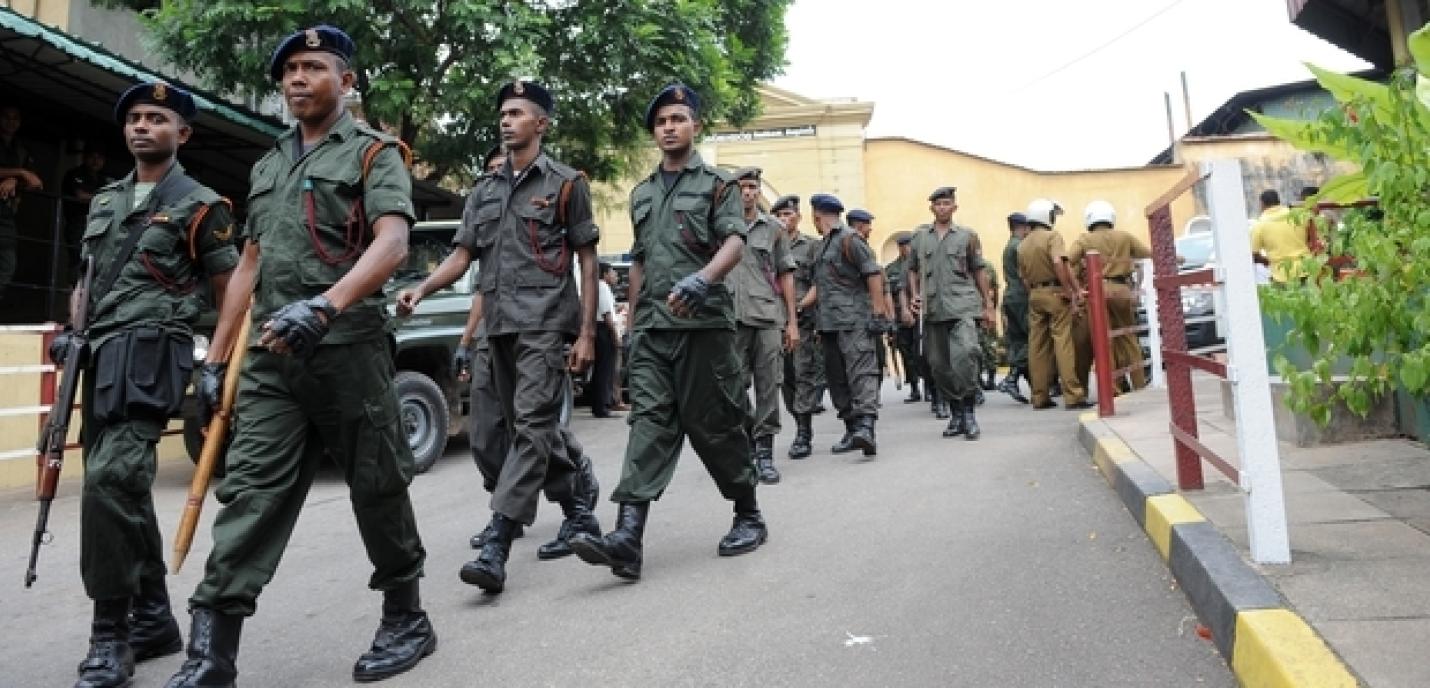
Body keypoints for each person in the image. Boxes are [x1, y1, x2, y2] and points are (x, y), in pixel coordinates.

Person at [166, 26, 435, 686]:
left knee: (377, 487)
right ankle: (212, 650)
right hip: (271, 363)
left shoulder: (376, 154)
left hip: (348, 351)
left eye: (312, 67)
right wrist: (215, 359)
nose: (295, 78)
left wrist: (325, 306)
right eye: (287, 69)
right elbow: (249, 266)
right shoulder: (268, 165)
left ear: (344, 82)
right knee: (249, 494)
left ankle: (406, 617)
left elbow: (393, 243)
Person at [53, 82, 238, 688]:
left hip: (154, 354)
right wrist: (72, 328)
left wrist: (216, 368)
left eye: (156, 118)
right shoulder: (105, 199)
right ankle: (155, 617)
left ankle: (111, 634)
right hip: (99, 355)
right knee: (123, 486)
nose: (141, 126)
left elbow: (229, 293)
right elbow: (89, 277)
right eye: (134, 117)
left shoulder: (201, 203)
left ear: (181, 134)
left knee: (109, 480)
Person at [401, 79, 601, 594]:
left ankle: (499, 539)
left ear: (541, 123)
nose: (506, 120)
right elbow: (463, 254)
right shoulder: (484, 191)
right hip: (495, 327)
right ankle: (578, 501)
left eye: (517, 112)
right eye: (503, 113)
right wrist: (423, 286)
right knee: (490, 436)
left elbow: (586, 257)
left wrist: (586, 335)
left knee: (533, 425)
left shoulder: (564, 184)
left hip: (543, 322)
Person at [568, 83, 767, 581]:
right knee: (649, 423)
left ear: (694, 126)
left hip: (704, 326)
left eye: (678, 118)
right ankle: (627, 539)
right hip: (655, 328)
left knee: (715, 423)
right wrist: (632, 322)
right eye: (660, 122)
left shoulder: (718, 185)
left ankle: (749, 514)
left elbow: (735, 243)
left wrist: (705, 279)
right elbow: (638, 261)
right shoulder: (642, 193)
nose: (669, 127)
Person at [798, 193, 891, 455]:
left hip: (854, 320)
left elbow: (872, 274)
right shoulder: (821, 246)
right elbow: (819, 285)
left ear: (817, 215)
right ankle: (852, 429)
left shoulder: (850, 239)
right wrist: (800, 306)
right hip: (828, 323)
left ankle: (866, 428)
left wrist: (877, 312)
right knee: (836, 378)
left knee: (861, 373)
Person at [907, 187, 995, 440]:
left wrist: (987, 306)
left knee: (966, 353)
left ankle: (969, 412)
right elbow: (912, 269)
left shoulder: (967, 236)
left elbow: (979, 271)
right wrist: (914, 294)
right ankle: (956, 414)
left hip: (963, 305)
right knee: (938, 365)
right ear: (932, 208)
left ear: (955, 207)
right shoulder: (920, 237)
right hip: (933, 308)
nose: (943, 208)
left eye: (947, 203)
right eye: (938, 204)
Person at [728, 166, 797, 484]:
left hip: (768, 317)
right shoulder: (721, 227)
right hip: (729, 319)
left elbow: (785, 274)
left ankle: (765, 454)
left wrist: (792, 322)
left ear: (758, 191)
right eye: (742, 186)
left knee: (769, 386)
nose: (748, 192)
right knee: (730, 387)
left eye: (753, 186)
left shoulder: (774, 229)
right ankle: (750, 436)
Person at [1017, 198, 1092, 410]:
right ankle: (1073, 395)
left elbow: (1022, 277)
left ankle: (1039, 396)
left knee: (1037, 346)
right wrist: (1070, 291)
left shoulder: (1023, 243)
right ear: (1046, 216)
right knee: (1063, 342)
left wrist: (1034, 292)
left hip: (1034, 294)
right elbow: (1060, 263)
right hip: (1055, 293)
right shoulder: (1052, 236)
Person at [1069, 200, 1151, 391]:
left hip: (1097, 292)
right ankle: (1139, 383)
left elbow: (1067, 260)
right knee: (1129, 339)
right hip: (1122, 290)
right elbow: (1147, 254)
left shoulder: (1084, 240)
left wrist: (1074, 288)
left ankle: (1112, 389)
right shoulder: (1125, 237)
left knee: (1104, 341)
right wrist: (1177, 256)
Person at [774, 194, 824, 459]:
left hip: (803, 320)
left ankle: (804, 432)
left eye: (788, 215)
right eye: (779, 215)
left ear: (798, 217)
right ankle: (798, 420)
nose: (783, 220)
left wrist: (801, 306)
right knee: (785, 378)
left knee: (803, 373)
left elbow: (820, 283)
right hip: (773, 321)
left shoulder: (812, 247)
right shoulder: (767, 246)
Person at [0, 103, 42, 302]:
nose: (11, 122)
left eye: (15, 118)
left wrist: (15, 180)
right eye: (6, 117)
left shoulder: (21, 149)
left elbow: (35, 183)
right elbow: (26, 174)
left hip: (6, 214)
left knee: (7, 265)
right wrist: (19, 173)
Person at [886, 235, 925, 403]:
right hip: (900, 315)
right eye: (902, 245)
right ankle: (914, 387)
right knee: (906, 352)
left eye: (907, 245)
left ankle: (930, 387)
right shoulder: (891, 268)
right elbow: (887, 292)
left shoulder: (920, 263)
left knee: (922, 352)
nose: (905, 248)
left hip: (920, 313)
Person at [62, 146, 114, 268]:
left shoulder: (104, 178)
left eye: (99, 158)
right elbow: (81, 195)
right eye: (92, 157)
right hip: (79, 222)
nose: (96, 161)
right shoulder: (75, 173)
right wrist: (104, 198)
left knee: (98, 261)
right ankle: (74, 286)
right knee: (78, 259)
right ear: (85, 158)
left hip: (101, 223)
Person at [998, 212, 1031, 403]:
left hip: (1012, 296)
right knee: (1033, 339)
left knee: (1019, 341)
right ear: (1023, 227)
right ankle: (1012, 377)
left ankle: (1026, 382)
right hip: (1020, 297)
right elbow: (1024, 274)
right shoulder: (1019, 246)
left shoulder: (1009, 245)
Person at [1250, 189, 1310, 284]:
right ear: (1279, 202)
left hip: (1281, 275)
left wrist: (1266, 261)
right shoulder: (1297, 216)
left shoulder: (1259, 225)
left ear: (1262, 204)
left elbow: (1254, 255)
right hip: (1305, 269)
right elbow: (1312, 238)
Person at [592, 261, 622, 417]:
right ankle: (602, 406)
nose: (615, 275)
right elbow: (606, 314)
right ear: (604, 274)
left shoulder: (597, 287)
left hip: (599, 328)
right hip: (603, 329)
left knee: (601, 369)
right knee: (605, 369)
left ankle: (601, 404)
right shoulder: (602, 287)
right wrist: (615, 335)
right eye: (613, 272)